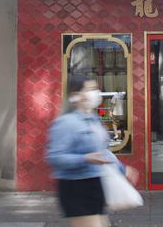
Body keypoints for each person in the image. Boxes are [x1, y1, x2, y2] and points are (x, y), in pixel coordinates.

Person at [45, 75, 138, 227]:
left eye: (96, 89)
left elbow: (102, 151)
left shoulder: (93, 118)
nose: (95, 93)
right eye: (90, 89)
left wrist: (122, 169)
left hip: (95, 184)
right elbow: (54, 157)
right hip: (75, 187)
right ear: (75, 95)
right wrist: (84, 158)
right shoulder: (66, 122)